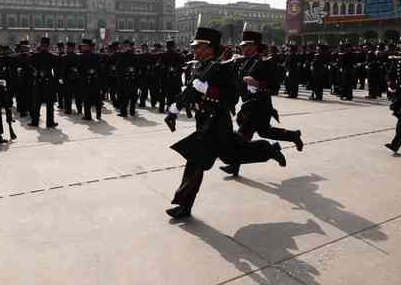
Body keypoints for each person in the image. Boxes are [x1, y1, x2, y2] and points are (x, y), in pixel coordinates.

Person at [164, 27, 287, 219]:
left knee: (200, 160)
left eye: (200, 47)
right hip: (203, 123)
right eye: (195, 47)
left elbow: (231, 97)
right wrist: (173, 110)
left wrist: (208, 90)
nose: (195, 50)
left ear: (211, 48)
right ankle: (184, 205)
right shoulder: (200, 66)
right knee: (225, 156)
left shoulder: (223, 68)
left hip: (217, 124)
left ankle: (270, 150)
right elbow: (189, 92)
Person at [219, 30, 303, 177]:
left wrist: (258, 83)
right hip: (247, 106)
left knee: (241, 137)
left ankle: (266, 152)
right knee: (264, 132)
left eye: (248, 46)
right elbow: (237, 83)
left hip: (260, 106)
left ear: (256, 46)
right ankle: (292, 136)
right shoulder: (241, 61)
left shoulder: (266, 62)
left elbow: (275, 86)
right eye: (243, 46)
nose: (244, 49)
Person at [30, 37, 58, 128]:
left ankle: (35, 121)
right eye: (44, 45)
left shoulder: (35, 56)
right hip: (47, 80)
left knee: (38, 103)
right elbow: (56, 68)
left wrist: (36, 73)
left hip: (41, 80)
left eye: (45, 46)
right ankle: (49, 122)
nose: (45, 47)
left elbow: (31, 66)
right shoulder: (53, 56)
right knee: (46, 103)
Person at [78, 39, 103, 120]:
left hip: (86, 80)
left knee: (87, 98)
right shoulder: (97, 56)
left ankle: (88, 115)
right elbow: (100, 69)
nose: (82, 47)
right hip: (95, 79)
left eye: (84, 46)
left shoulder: (81, 57)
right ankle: (98, 114)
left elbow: (80, 69)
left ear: (88, 47)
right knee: (96, 98)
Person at [116, 40, 139, 118]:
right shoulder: (125, 55)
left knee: (127, 97)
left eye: (128, 46)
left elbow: (118, 68)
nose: (127, 47)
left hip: (128, 79)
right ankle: (128, 111)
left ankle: (126, 112)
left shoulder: (124, 55)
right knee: (128, 96)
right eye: (126, 46)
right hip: (128, 79)